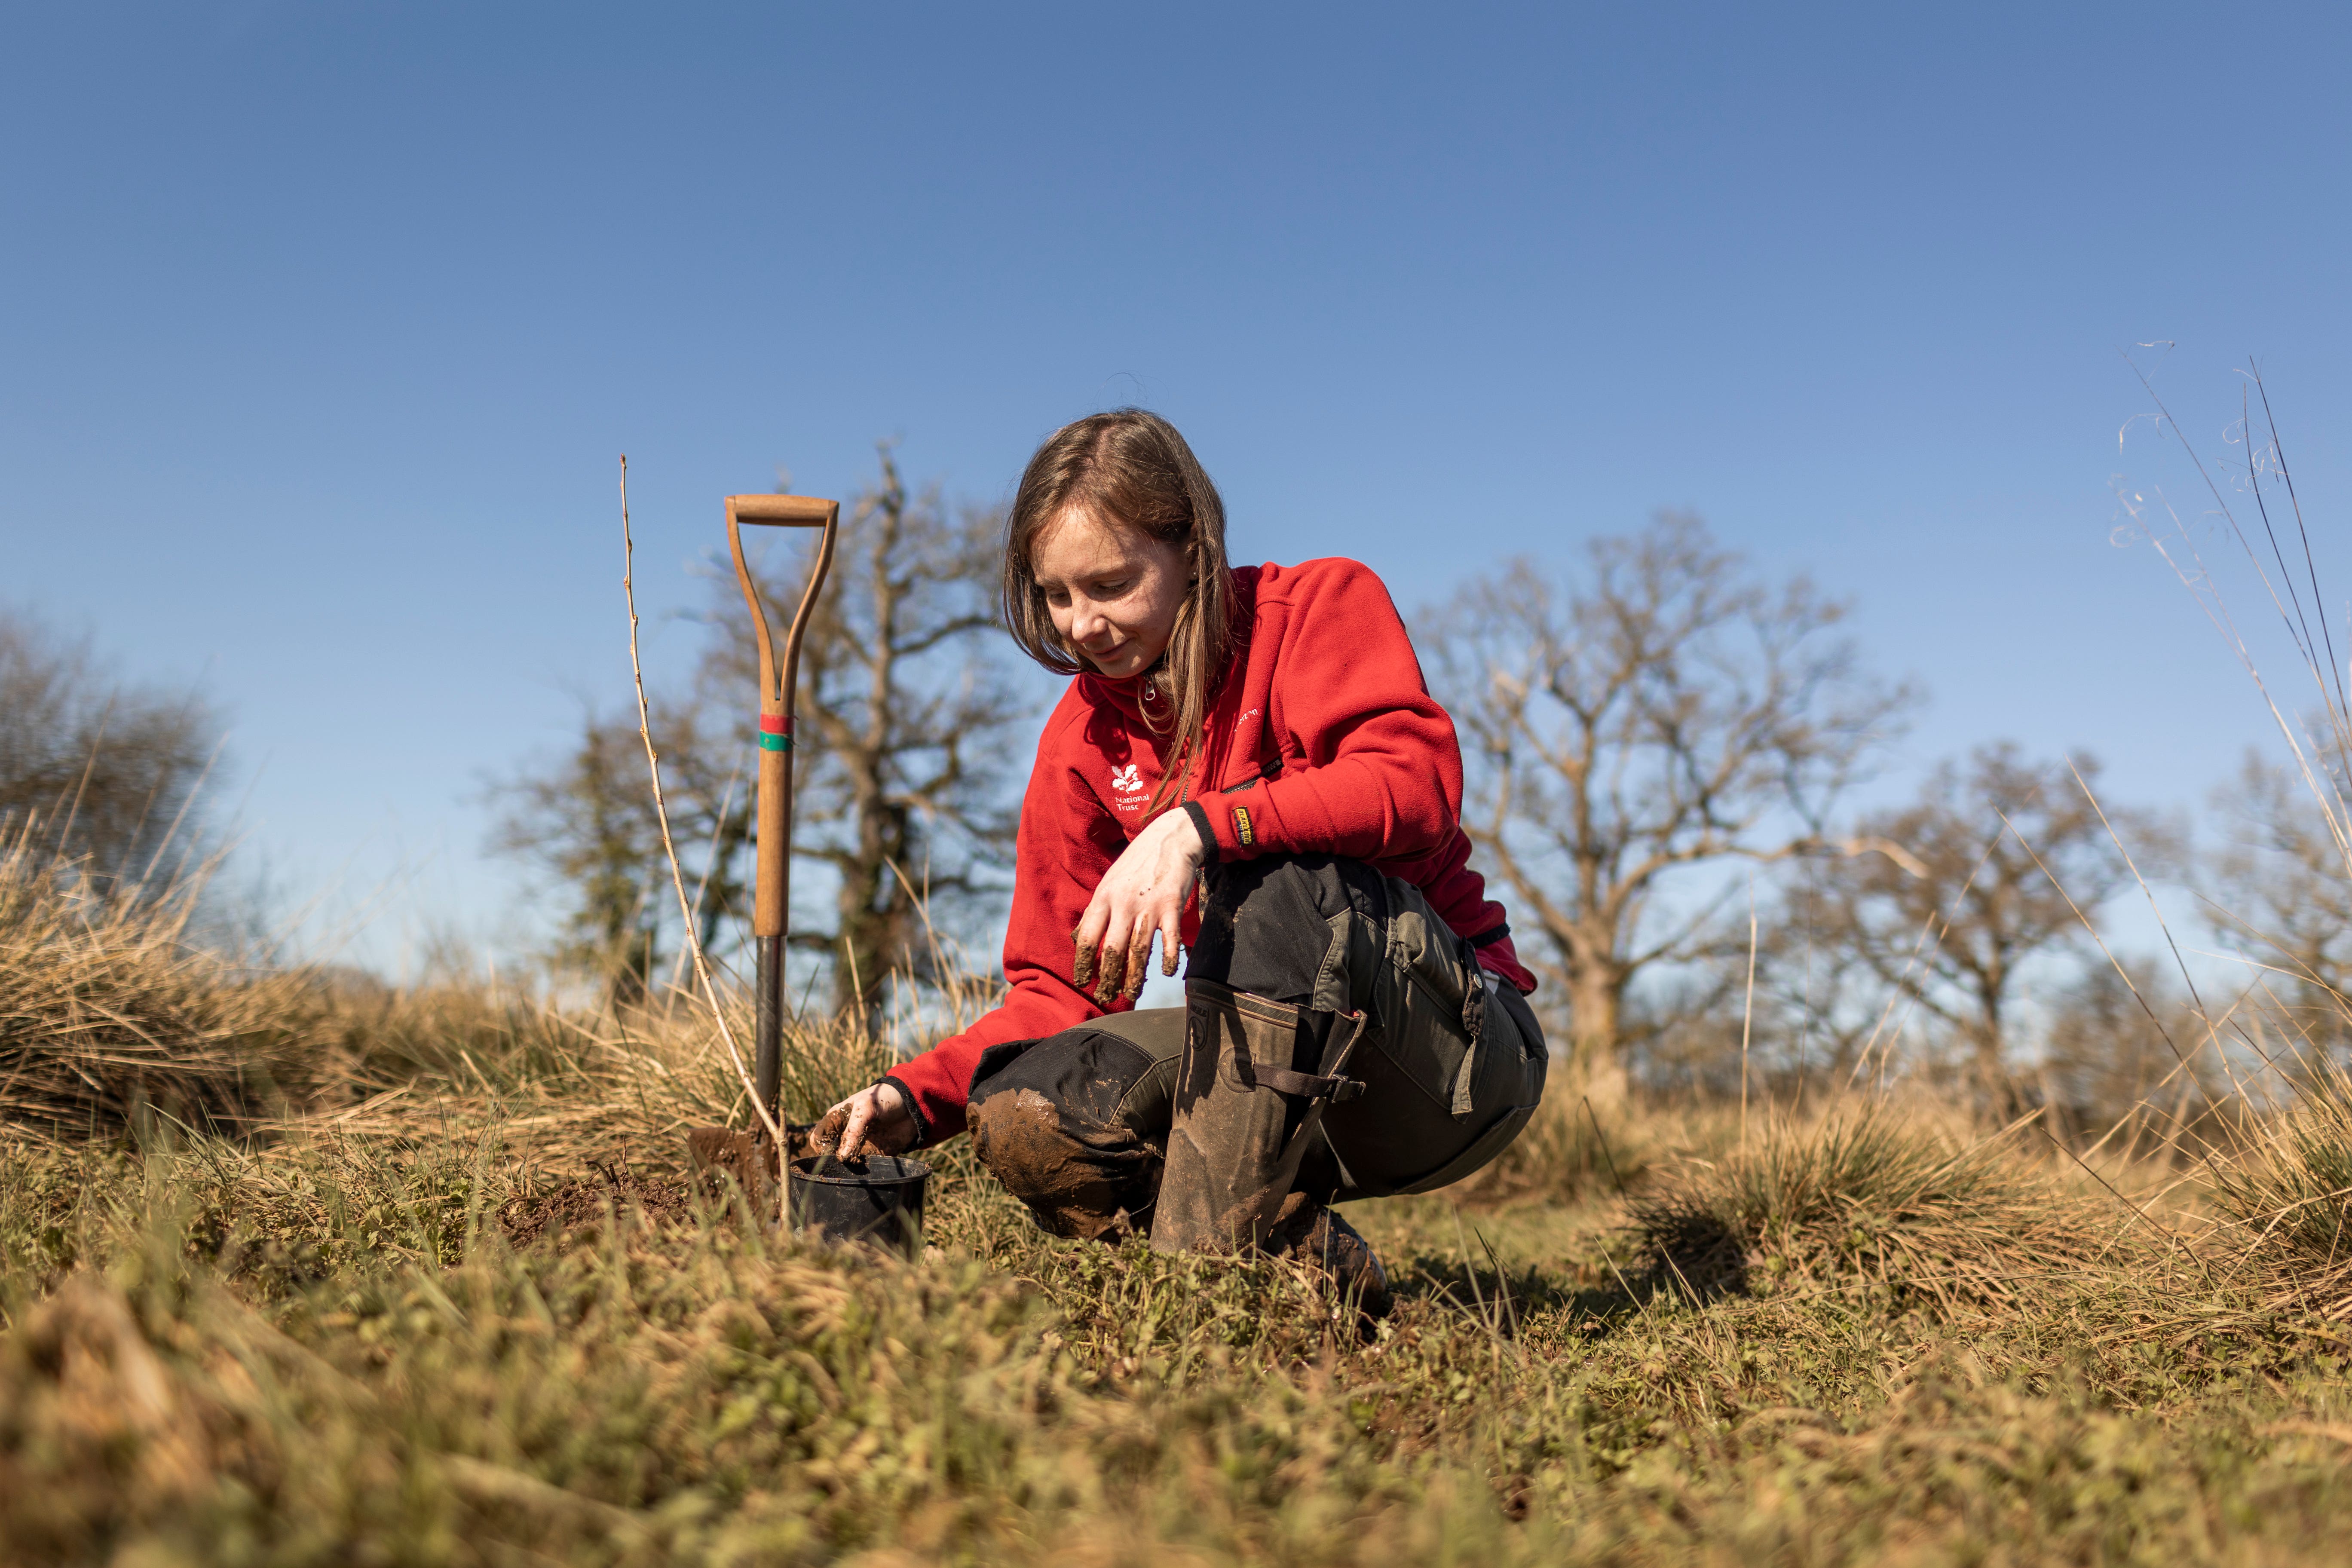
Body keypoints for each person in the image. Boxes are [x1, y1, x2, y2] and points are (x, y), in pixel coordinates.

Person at [814, 409, 1545, 1313]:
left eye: (1112, 584)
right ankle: (1301, 1259)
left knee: (1281, 888)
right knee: (1025, 1110)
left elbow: (1416, 786)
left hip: (1449, 1064)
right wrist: (913, 1098)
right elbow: (1058, 988)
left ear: (1192, 549)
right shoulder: (1080, 741)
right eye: (1056, 595)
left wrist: (1199, 826)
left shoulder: (1317, 608)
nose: (1082, 625)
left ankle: (1204, 1292)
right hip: (1269, 1087)